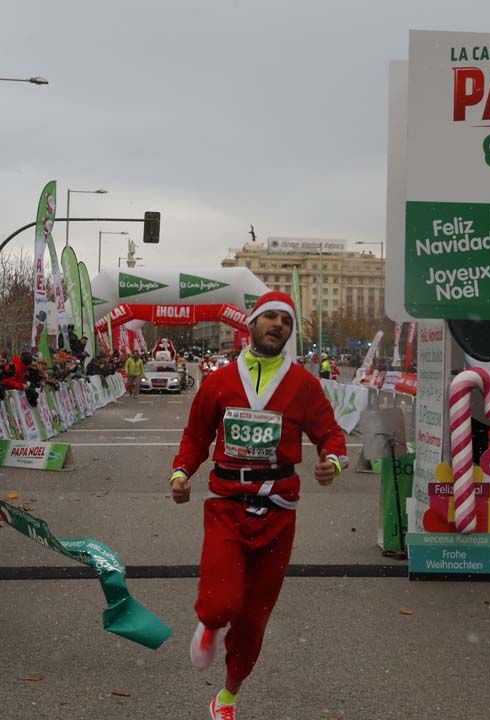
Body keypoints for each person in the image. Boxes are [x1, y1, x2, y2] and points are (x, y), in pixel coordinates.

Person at [170, 291, 347, 719]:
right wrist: (181, 472)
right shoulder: (220, 381)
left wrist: (334, 462)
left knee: (253, 619)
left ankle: (227, 697)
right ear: (250, 324)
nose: (277, 326)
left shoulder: (304, 384)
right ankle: (210, 623)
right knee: (220, 602)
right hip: (227, 504)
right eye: (269, 318)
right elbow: (197, 436)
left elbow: (331, 435)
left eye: (285, 321)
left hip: (278, 512)